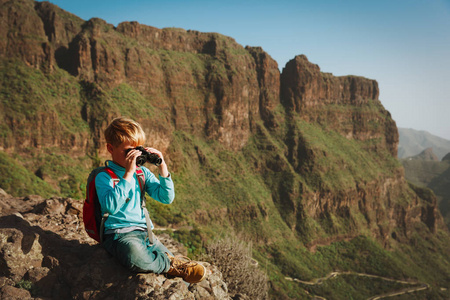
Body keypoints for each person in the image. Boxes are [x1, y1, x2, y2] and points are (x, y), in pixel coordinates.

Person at [95, 117, 206, 284]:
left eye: (137, 150)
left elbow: (166, 197)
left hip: (146, 234)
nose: (134, 156)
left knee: (153, 254)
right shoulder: (104, 177)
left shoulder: (142, 173)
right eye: (128, 151)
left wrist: (162, 166)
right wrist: (127, 175)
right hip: (119, 236)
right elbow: (110, 206)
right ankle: (170, 264)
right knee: (134, 257)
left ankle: (169, 263)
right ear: (111, 148)